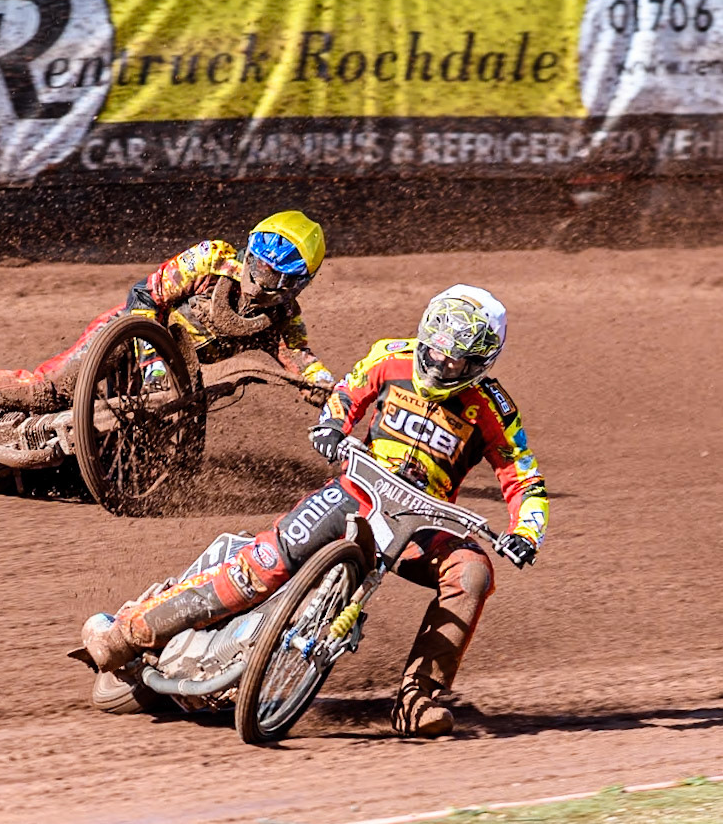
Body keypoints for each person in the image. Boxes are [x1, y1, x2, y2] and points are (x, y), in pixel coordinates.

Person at [80, 284, 548, 738]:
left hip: (421, 523)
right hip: (355, 491)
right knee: (261, 567)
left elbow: (525, 480)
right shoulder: (391, 356)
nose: (440, 363)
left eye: (455, 360)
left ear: (480, 363)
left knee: (472, 573)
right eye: (435, 350)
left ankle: (416, 699)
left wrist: (526, 532)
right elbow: (347, 393)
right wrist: (332, 426)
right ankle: (127, 635)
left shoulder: (494, 410)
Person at [0, 210, 336, 431]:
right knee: (49, 390)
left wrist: (330, 392)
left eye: (274, 278)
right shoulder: (211, 259)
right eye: (257, 267)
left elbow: (302, 360)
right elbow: (145, 294)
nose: (259, 283)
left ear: (296, 284)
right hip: (127, 334)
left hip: (172, 384)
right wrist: (152, 359)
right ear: (248, 252)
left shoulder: (283, 320)